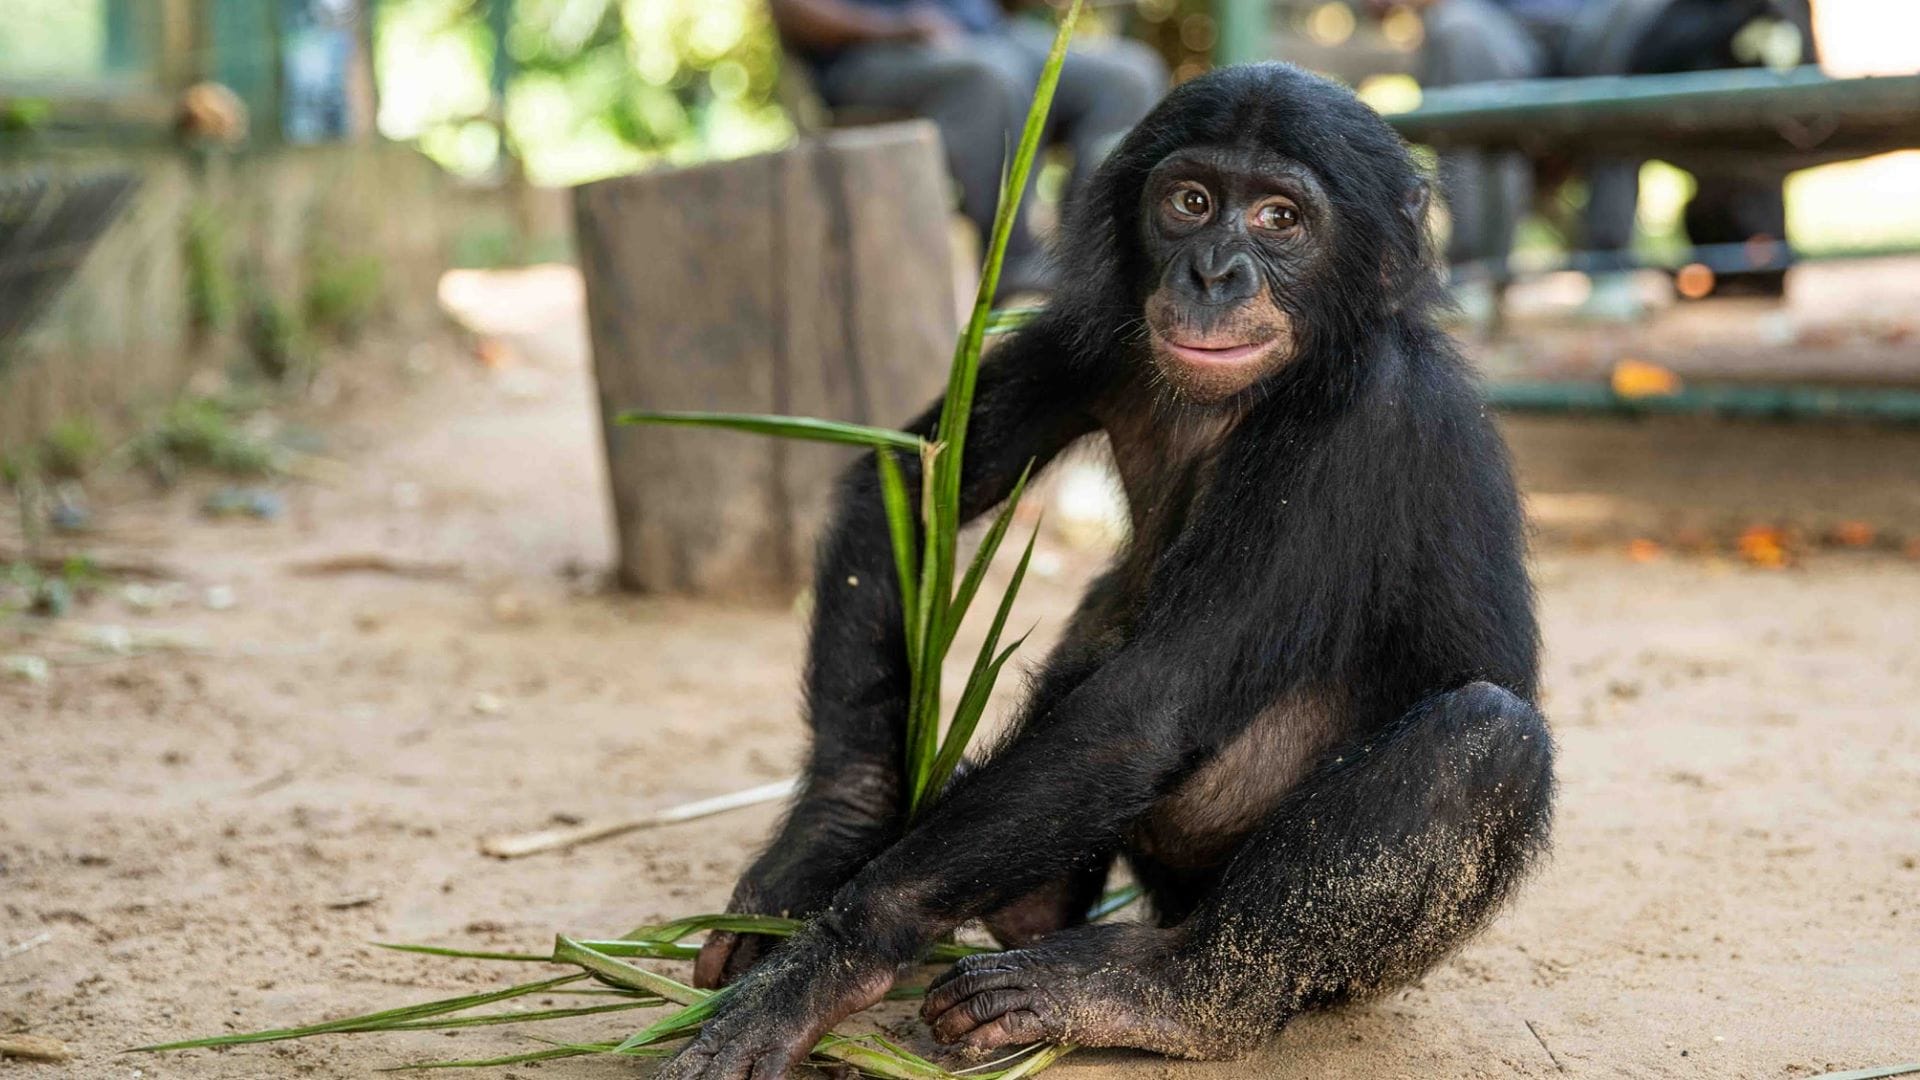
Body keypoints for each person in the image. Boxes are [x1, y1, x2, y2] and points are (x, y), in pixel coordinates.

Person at [1374, 0, 1814, 317]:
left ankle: (1610, 267)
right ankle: (1476, 273)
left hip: (1600, 26)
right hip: (1496, 24)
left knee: (1631, 23)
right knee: (1457, 28)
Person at [772, 0, 1169, 297]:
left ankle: (1091, 259)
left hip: (990, 35)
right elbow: (793, 11)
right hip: (871, 54)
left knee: (1130, 76)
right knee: (990, 80)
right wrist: (894, 26)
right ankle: (1013, 263)